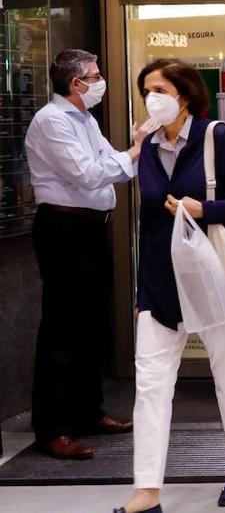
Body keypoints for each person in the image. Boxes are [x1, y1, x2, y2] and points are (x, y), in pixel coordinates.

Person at [115, 58, 225, 513]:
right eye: (145, 91)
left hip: (212, 276)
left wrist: (205, 210)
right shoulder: (147, 146)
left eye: (158, 88)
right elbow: (147, 226)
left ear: (184, 93)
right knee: (151, 386)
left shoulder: (214, 135)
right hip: (160, 284)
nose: (150, 98)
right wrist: (142, 297)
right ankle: (147, 491)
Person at [25, 49, 156, 461]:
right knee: (63, 329)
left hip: (90, 228)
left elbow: (107, 164)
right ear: (75, 83)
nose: (100, 82)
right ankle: (51, 428)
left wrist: (122, 158)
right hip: (64, 229)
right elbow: (90, 172)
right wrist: (134, 150)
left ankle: (87, 411)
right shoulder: (51, 121)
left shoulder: (84, 119)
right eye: (95, 76)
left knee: (90, 324)